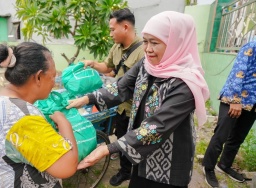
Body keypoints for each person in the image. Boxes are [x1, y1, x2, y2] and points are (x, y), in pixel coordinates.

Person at [67, 11, 210, 187]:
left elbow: (158, 126)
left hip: (169, 161)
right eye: (145, 41)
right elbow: (121, 86)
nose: (148, 49)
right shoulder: (147, 64)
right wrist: (86, 99)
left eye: (155, 43)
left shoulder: (186, 83)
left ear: (176, 42)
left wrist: (107, 148)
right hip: (141, 148)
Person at [0, 42, 78, 187]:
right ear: (38, 77)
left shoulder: (2, 100)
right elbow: (67, 167)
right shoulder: (24, 117)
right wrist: (64, 124)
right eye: (53, 76)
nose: (54, 82)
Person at [84, 8, 145, 186]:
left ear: (125, 27)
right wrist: (92, 64)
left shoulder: (143, 50)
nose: (110, 34)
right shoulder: (116, 47)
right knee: (121, 138)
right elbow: (108, 67)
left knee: (138, 142)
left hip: (137, 108)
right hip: (119, 105)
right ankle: (125, 172)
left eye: (112, 29)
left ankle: (139, 174)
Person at [202, 41, 256, 188]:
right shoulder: (252, 46)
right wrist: (235, 100)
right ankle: (208, 167)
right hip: (234, 99)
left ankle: (224, 165)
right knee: (221, 136)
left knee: (237, 138)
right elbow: (238, 73)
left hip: (252, 104)